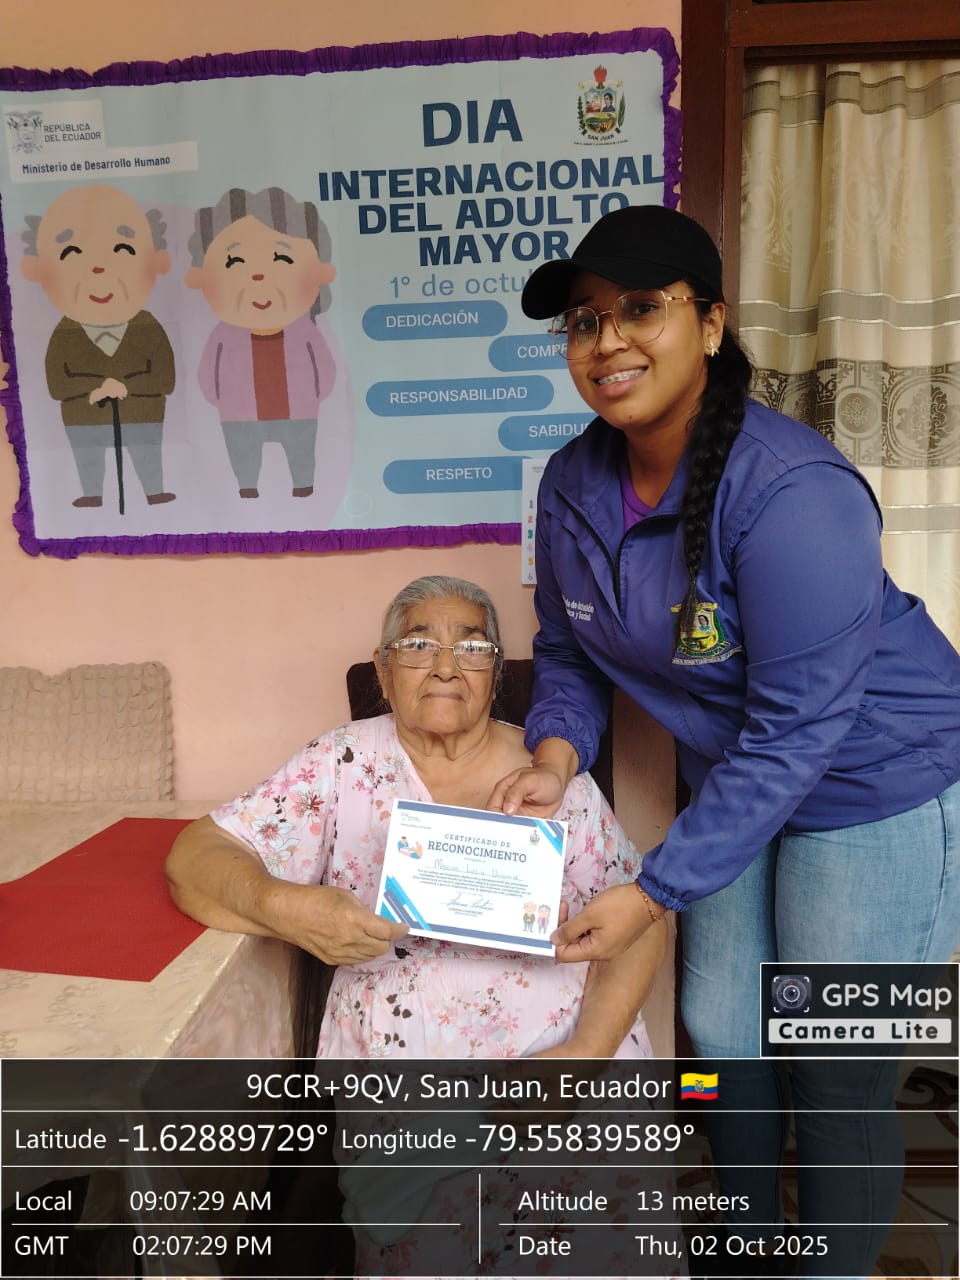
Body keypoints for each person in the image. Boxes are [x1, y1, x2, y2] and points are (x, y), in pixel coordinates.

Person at [489, 203, 960, 1279]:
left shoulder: (792, 491)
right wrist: (554, 757)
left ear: (709, 323)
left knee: (833, 1070)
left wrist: (653, 891)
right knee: (721, 1033)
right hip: (741, 787)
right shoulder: (571, 484)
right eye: (583, 320)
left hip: (877, 781)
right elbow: (566, 650)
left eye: (638, 309)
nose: (606, 340)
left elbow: (800, 731)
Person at [166, 574, 676, 1276]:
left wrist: (586, 1055)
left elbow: (645, 920)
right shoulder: (340, 764)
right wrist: (289, 908)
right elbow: (194, 858)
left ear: (495, 677)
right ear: (383, 671)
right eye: (417, 644)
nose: (444, 665)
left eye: (471, 647)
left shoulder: (553, 778)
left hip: (566, 1056)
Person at [21, 184, 176, 508]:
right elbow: (56, 383)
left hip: (143, 414)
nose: (98, 268)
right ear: (38, 270)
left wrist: (125, 386)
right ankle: (93, 493)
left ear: (156, 261)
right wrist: (94, 388)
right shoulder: (63, 332)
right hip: (83, 417)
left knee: (147, 450)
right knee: (88, 454)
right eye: (71, 253)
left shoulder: (149, 326)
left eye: (122, 249)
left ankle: (153, 490)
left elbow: (165, 377)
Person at [185, 186, 337, 499]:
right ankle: (247, 486)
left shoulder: (304, 330)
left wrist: (316, 394)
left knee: (300, 451)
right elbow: (208, 372)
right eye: (234, 262)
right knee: (244, 452)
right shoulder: (224, 333)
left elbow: (324, 369)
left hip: (299, 410)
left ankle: (303, 485)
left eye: (281, 258)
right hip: (238, 413)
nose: (258, 276)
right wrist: (218, 398)